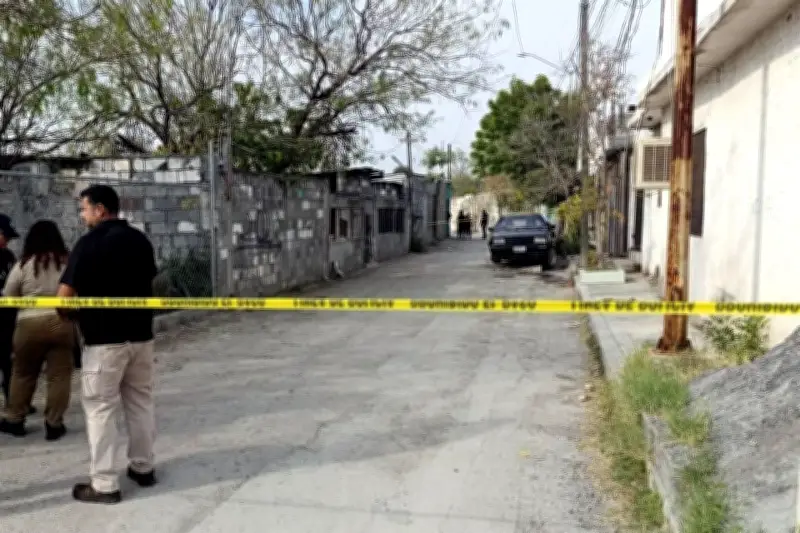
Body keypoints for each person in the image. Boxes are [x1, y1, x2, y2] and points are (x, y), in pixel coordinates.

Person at [57, 184, 158, 504]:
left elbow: (63, 297)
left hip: (104, 341)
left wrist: (70, 314)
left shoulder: (88, 244)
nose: (82, 215)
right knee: (140, 402)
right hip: (141, 337)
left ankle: (104, 485)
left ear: (100, 209)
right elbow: (149, 282)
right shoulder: (140, 240)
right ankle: (143, 468)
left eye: (84, 208)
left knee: (101, 409)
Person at [0, 220, 74, 440]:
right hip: (61, 321)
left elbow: (9, 295)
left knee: (22, 373)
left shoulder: (23, 265)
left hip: (28, 324)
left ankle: (15, 419)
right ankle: (54, 423)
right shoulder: (66, 262)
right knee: (59, 375)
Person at [0, 214, 19, 409]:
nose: (7, 242)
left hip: (7, 318)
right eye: (5, 236)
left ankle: (12, 400)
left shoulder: (8, 256)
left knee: (8, 361)